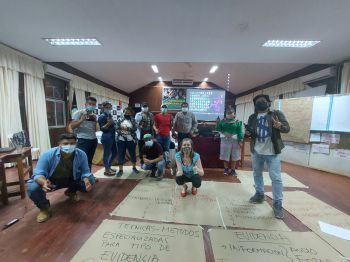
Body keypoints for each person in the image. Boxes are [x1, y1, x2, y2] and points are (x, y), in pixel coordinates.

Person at [27, 133, 95, 223]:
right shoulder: (47, 154)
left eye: (72, 143)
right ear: (59, 144)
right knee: (32, 187)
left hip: (71, 179)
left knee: (91, 179)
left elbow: (86, 172)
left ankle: (71, 191)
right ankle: (44, 208)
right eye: (66, 144)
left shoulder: (81, 154)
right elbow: (38, 174)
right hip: (52, 182)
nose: (69, 146)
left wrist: (86, 180)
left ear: (76, 144)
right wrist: (44, 182)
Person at [245, 94, 290, 219]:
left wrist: (279, 126)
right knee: (256, 174)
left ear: (269, 103)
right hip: (256, 151)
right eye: (258, 101)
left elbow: (287, 128)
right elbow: (251, 134)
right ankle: (259, 194)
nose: (261, 102)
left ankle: (277, 203)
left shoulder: (276, 114)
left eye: (263, 101)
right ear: (255, 105)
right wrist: (248, 133)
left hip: (272, 151)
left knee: (276, 178)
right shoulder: (252, 117)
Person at [70, 96, 98, 172]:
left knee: (89, 160)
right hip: (83, 140)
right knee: (81, 160)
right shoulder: (78, 113)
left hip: (93, 140)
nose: (91, 106)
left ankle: (88, 175)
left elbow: (94, 129)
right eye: (90, 104)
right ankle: (80, 178)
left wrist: (96, 123)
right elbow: (72, 126)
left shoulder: (94, 115)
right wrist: (81, 120)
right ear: (85, 104)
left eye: (93, 104)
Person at [216, 107, 244, 176]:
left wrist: (240, 140)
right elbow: (218, 130)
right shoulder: (222, 121)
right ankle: (226, 169)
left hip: (235, 140)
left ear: (234, 114)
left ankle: (233, 170)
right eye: (228, 113)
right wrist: (217, 123)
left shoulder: (238, 122)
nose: (229, 114)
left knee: (235, 155)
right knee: (225, 155)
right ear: (225, 114)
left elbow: (240, 131)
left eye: (231, 113)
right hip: (225, 140)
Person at [115, 107, 139, 177]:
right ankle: (120, 170)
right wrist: (122, 131)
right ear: (123, 112)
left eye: (129, 113)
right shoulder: (119, 119)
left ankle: (134, 167)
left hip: (131, 140)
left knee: (133, 154)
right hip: (121, 140)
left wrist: (128, 129)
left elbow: (135, 128)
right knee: (120, 154)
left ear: (131, 113)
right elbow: (116, 128)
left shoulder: (133, 119)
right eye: (126, 112)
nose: (127, 114)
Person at [98, 101, 117, 176]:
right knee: (106, 154)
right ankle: (107, 170)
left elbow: (113, 125)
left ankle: (108, 167)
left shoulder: (109, 115)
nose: (109, 109)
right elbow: (102, 128)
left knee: (115, 152)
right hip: (106, 137)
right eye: (107, 107)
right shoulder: (102, 116)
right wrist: (108, 123)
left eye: (110, 107)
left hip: (112, 136)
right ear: (103, 108)